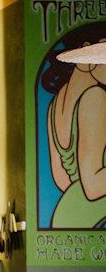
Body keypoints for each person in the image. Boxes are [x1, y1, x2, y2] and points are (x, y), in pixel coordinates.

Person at [41, 30, 106, 229]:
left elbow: (63, 180)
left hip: (67, 217)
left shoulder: (55, 104)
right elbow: (92, 187)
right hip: (94, 219)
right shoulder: (95, 97)